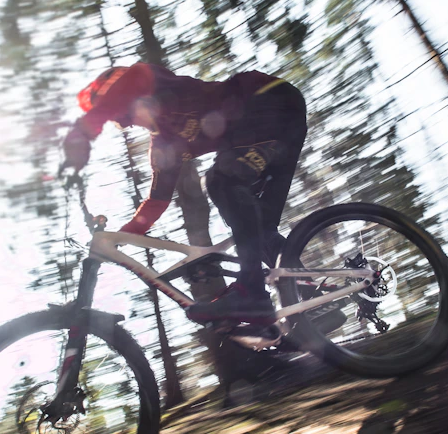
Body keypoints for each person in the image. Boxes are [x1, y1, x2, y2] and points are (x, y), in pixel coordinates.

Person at [62, 63, 307, 324]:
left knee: (220, 180)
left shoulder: (156, 82)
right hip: (279, 129)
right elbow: (156, 201)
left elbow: (133, 80)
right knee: (255, 227)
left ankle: (252, 293)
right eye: (124, 120)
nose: (129, 119)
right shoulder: (164, 145)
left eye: (123, 110)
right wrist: (121, 237)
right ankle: (310, 300)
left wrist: (81, 134)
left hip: (268, 100)